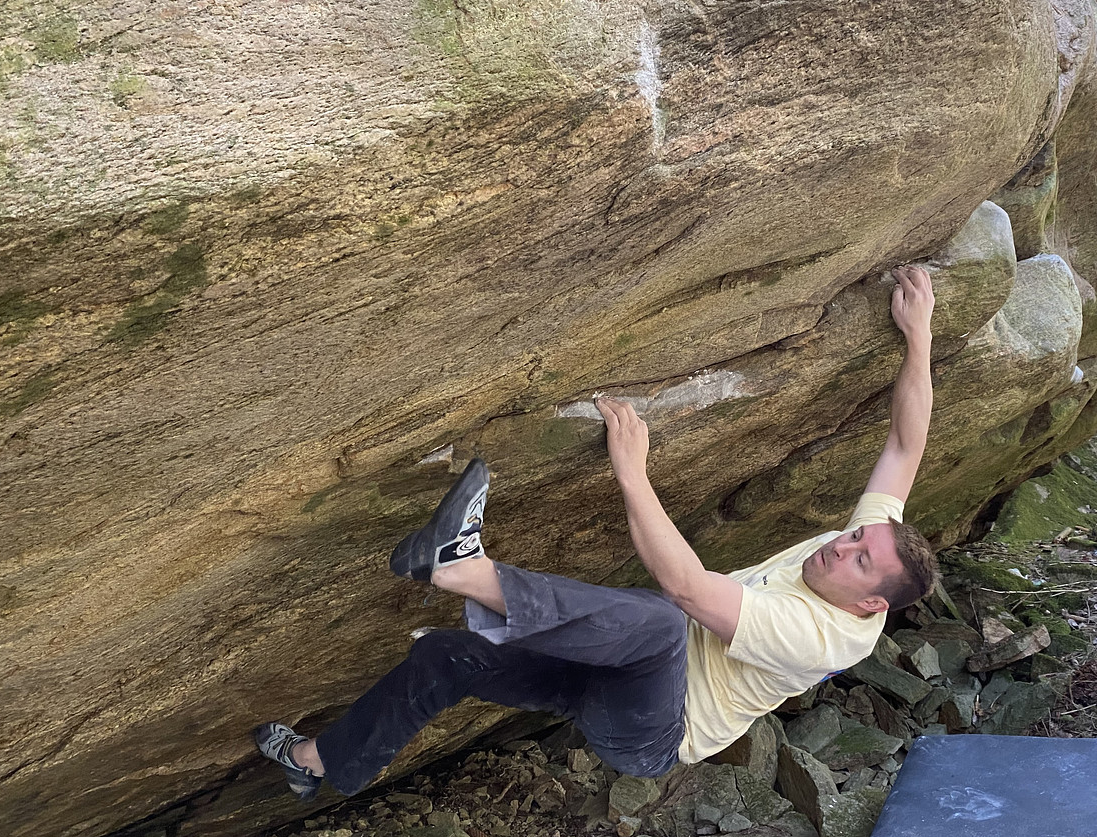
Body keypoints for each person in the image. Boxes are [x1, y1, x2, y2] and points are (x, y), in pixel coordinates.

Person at [254, 266, 940, 799]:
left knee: (665, 621)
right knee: (446, 658)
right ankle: (318, 763)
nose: (842, 544)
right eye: (856, 538)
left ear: (870, 602)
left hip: (652, 730)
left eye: (858, 558)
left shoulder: (820, 634)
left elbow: (687, 589)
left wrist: (632, 474)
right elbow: (907, 446)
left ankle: (460, 567)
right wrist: (920, 338)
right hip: (607, 673)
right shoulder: (872, 553)